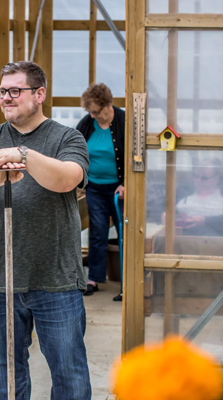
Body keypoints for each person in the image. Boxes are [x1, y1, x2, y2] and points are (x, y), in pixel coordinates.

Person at [0, 61, 91, 400]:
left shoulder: (67, 137)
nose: (6, 98)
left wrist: (23, 155)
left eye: (15, 91)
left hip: (55, 278)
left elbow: (68, 178)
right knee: (7, 369)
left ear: (39, 94)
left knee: (68, 370)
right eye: (2, 91)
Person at [74, 83, 126, 297]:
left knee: (125, 233)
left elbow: (136, 155)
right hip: (95, 188)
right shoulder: (87, 124)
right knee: (98, 232)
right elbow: (74, 150)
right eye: (90, 112)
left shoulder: (124, 121)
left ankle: (127, 280)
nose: (93, 116)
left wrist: (127, 184)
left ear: (108, 106)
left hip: (120, 189)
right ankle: (94, 278)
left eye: (96, 111)